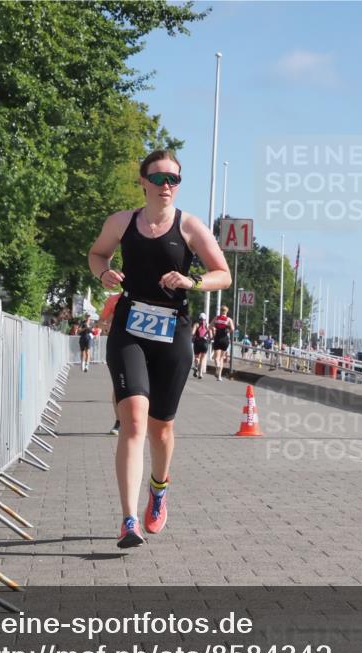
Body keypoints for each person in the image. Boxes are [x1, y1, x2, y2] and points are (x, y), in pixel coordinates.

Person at [87, 149, 231, 548]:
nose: (168, 186)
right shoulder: (122, 222)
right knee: (133, 419)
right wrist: (104, 273)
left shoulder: (190, 227)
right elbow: (97, 253)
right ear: (144, 181)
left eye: (175, 179)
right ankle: (128, 519)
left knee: (161, 428)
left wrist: (193, 282)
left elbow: (224, 274)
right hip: (131, 326)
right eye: (161, 178)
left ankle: (159, 489)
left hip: (173, 331)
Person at [100, 293, 122, 434]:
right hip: (121, 345)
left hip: (150, 347)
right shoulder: (114, 300)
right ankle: (119, 421)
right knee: (120, 386)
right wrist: (107, 325)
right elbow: (102, 322)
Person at [211, 305, 234, 381]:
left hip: (217, 338)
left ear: (220, 311)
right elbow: (233, 328)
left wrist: (214, 330)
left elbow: (210, 326)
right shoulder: (228, 319)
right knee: (221, 358)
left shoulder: (216, 318)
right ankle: (219, 377)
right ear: (226, 311)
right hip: (225, 339)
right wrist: (228, 331)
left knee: (216, 357)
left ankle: (217, 366)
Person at [191, 312, 211, 378]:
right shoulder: (207, 325)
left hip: (197, 342)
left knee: (197, 357)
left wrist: (192, 336)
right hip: (205, 343)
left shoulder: (196, 324)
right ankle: (200, 374)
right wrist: (209, 338)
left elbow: (192, 333)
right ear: (205, 319)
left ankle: (196, 366)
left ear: (199, 318)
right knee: (202, 359)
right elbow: (210, 336)